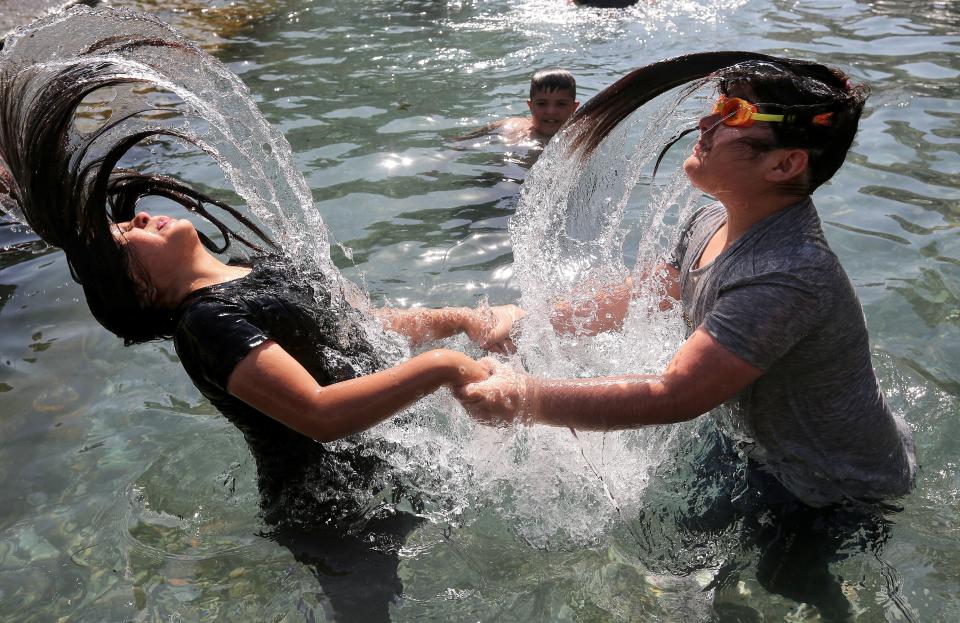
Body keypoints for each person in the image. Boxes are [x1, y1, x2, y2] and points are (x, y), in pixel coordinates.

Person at [457, 52, 916, 617]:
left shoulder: (787, 274)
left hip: (837, 485)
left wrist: (523, 398)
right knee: (667, 545)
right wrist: (528, 322)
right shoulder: (712, 219)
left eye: (731, 112)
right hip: (758, 442)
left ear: (784, 164)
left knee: (779, 584)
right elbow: (643, 292)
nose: (706, 123)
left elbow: (676, 395)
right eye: (714, 106)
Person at [458, 68, 580, 144]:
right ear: (530, 106)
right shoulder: (510, 126)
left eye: (561, 104)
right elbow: (460, 143)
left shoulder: (580, 140)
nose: (551, 111)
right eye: (541, 104)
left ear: (574, 107)